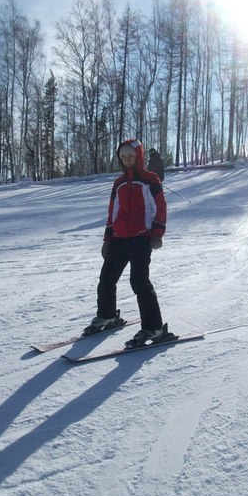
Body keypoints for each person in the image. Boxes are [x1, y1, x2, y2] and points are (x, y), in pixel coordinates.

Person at [85, 138, 168, 348]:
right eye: (123, 156)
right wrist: (107, 239)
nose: (127, 159)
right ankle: (107, 316)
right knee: (106, 279)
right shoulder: (119, 183)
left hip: (141, 237)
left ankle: (154, 327)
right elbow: (112, 212)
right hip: (119, 238)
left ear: (138, 156)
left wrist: (157, 233)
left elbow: (160, 207)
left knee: (139, 282)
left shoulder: (150, 179)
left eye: (130, 155)